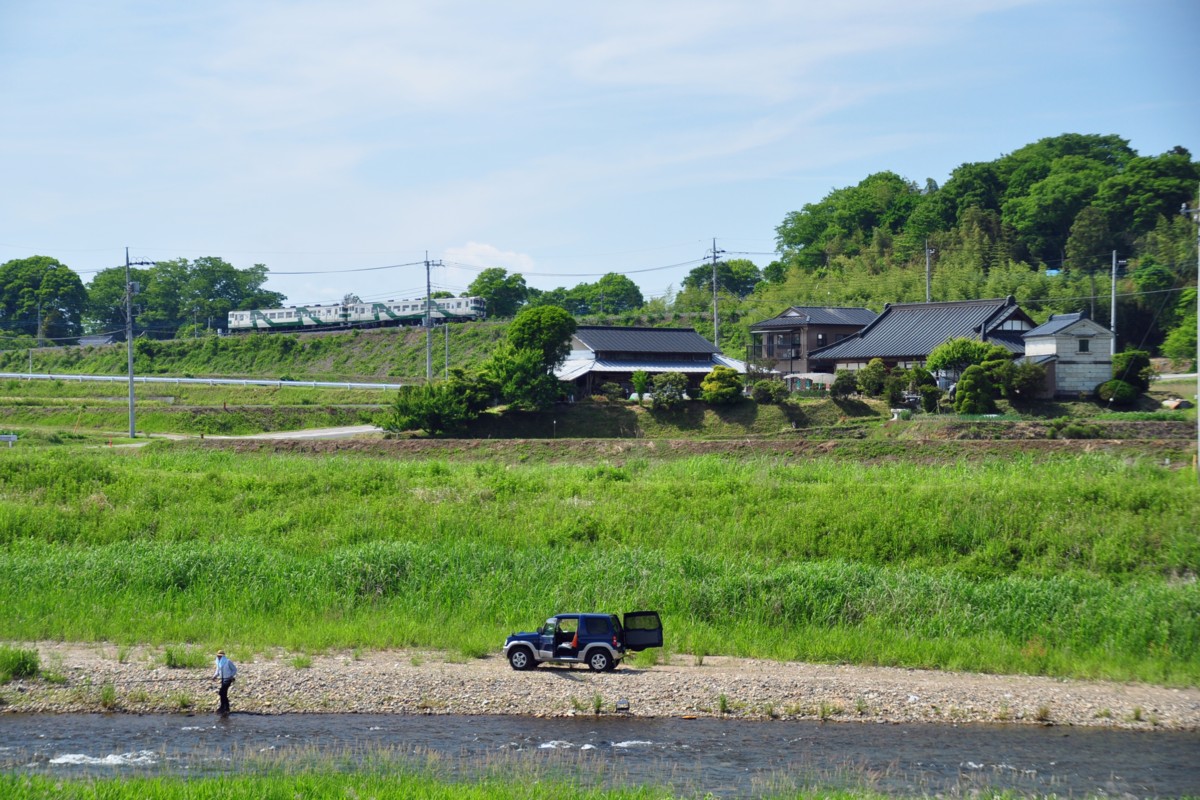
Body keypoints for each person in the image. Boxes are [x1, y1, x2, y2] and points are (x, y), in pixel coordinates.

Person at [211, 649, 237, 714]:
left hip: (228, 679)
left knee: (221, 692)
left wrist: (231, 676)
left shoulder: (228, 661)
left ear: (223, 656)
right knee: (223, 693)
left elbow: (234, 669)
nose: (219, 657)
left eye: (220, 656)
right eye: (218, 656)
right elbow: (217, 671)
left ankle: (224, 707)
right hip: (222, 679)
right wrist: (214, 676)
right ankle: (224, 707)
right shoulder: (218, 662)